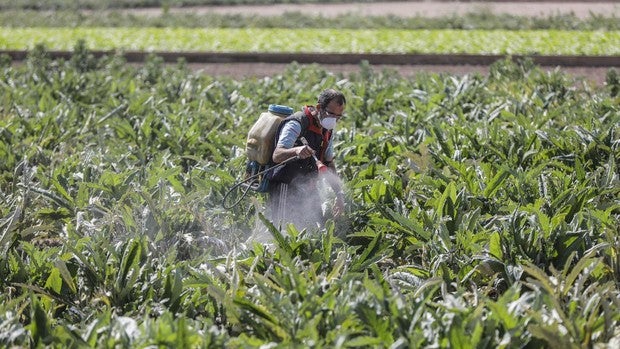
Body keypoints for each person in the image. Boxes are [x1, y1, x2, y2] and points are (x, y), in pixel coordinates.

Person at [267, 89, 346, 231]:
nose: (334, 120)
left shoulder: (327, 131)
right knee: (282, 231)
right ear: (319, 108)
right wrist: (296, 150)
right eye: (331, 114)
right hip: (285, 185)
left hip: (309, 186)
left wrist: (339, 194)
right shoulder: (297, 123)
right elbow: (277, 155)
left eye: (338, 117)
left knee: (317, 230)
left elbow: (329, 164)